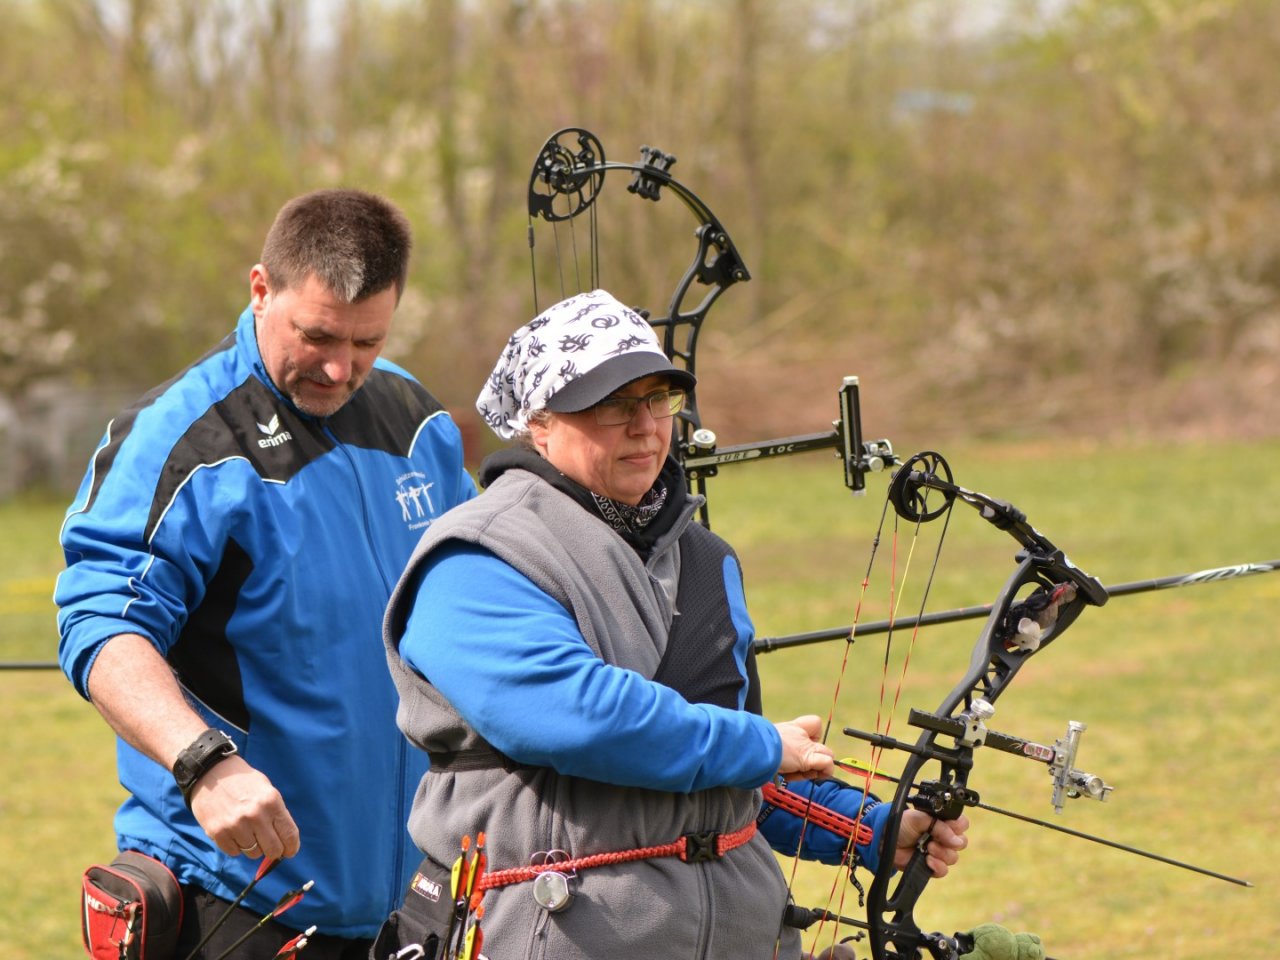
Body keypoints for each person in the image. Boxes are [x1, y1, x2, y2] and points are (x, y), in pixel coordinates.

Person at [377, 288, 969, 960]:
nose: (645, 425)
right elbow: (580, 716)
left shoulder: (704, 558)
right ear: (539, 422)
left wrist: (875, 830)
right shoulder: (477, 557)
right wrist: (761, 744)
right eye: (612, 405)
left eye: (658, 399)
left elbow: (727, 768)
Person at [56, 189, 477, 959]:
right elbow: (101, 621)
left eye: (367, 343)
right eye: (316, 334)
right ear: (260, 289)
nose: (338, 366)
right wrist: (202, 764)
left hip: (414, 899)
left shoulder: (417, 421)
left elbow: (487, 599)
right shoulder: (181, 438)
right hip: (237, 895)